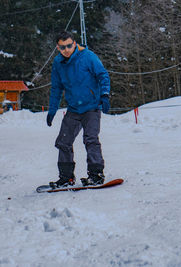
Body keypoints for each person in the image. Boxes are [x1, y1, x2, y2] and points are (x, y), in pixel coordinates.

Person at [46, 31, 111, 189]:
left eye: (69, 45)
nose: (66, 50)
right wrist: (52, 110)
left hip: (91, 106)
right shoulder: (58, 63)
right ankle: (66, 177)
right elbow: (56, 88)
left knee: (90, 139)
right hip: (74, 109)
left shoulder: (87, 56)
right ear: (58, 48)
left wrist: (105, 94)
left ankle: (96, 174)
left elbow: (103, 75)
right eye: (62, 47)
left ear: (74, 44)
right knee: (63, 142)